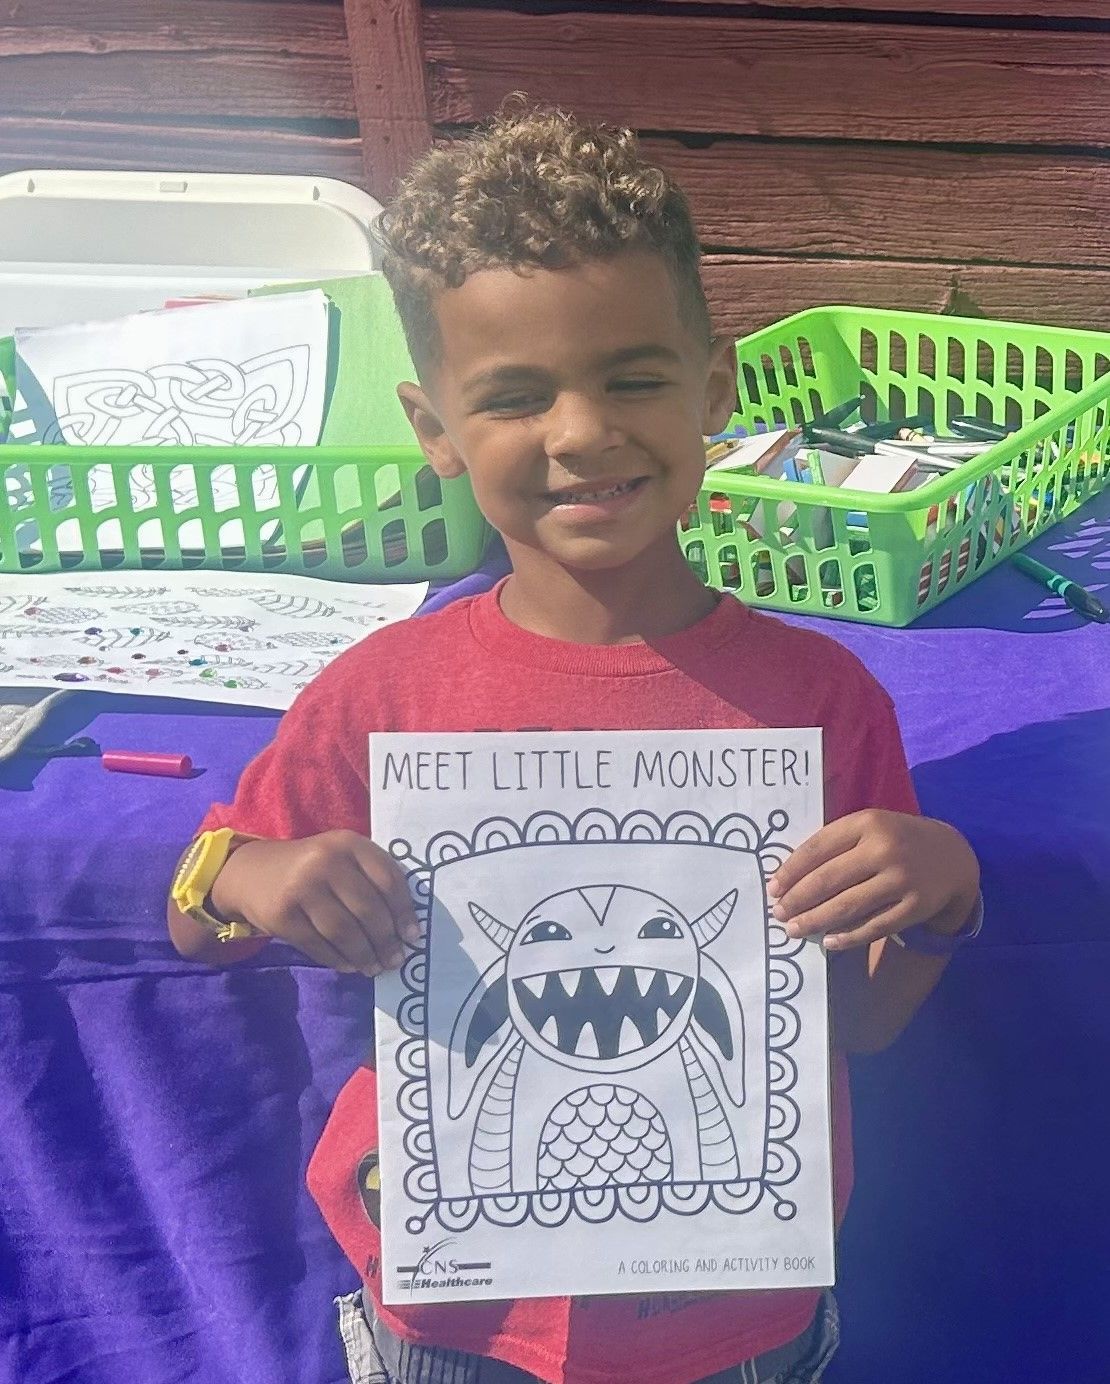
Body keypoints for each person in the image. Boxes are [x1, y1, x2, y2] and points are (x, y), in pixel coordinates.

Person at [167, 107, 982, 1384]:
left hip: (735, 1322)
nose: (581, 431)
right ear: (434, 428)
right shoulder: (379, 693)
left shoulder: (817, 701)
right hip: (451, 1321)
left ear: (712, 392)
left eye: (634, 378)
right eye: (512, 396)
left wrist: (941, 892)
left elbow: (859, 1019)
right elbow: (202, 901)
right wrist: (255, 876)